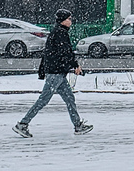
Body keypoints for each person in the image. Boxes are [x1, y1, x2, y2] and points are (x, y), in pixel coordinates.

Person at [13, 9, 93, 137]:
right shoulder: (60, 33)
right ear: (63, 20)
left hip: (58, 73)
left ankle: (78, 126)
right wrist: (75, 65)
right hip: (55, 73)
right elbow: (65, 52)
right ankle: (23, 124)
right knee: (43, 100)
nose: (71, 21)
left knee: (69, 98)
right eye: (69, 19)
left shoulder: (57, 32)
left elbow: (52, 53)